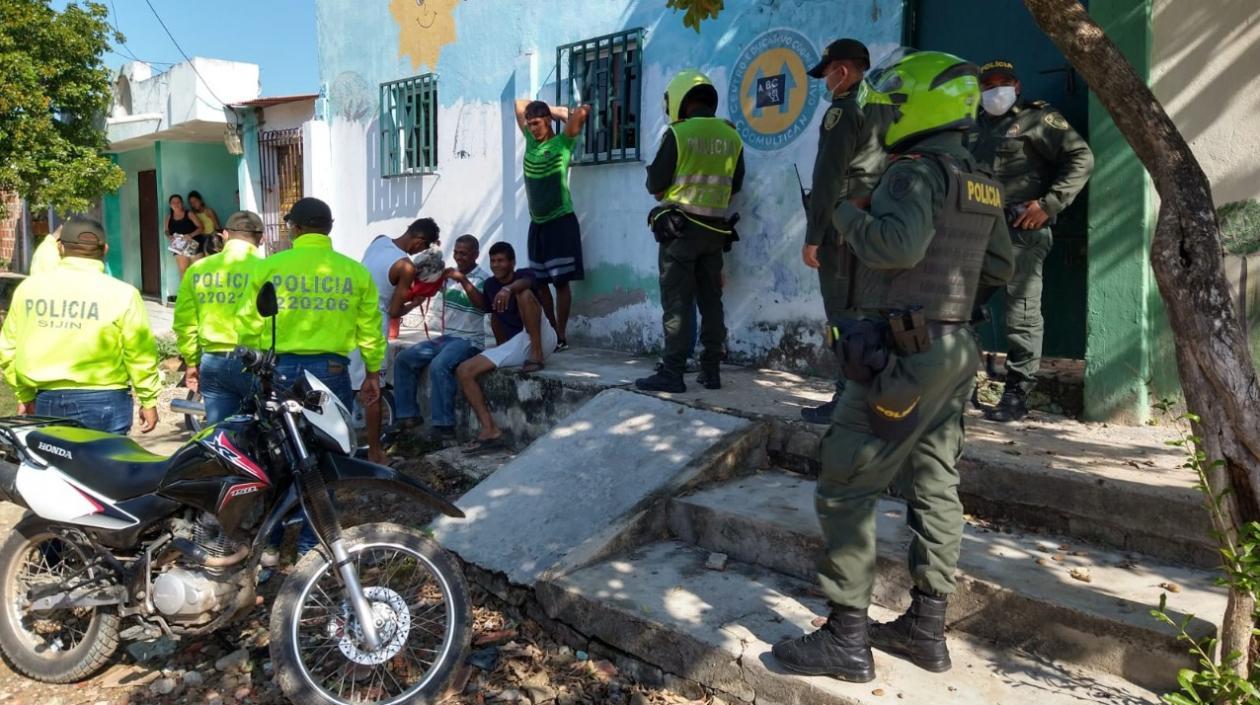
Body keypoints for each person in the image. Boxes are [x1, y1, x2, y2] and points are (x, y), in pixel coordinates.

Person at [770, 51, 1014, 682]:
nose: (885, 118)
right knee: (935, 484)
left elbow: (894, 245)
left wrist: (844, 212)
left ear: (917, 109)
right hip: (956, 350)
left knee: (847, 485)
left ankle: (846, 641)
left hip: (902, 357)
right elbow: (999, 268)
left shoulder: (913, 173)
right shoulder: (980, 178)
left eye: (893, 107)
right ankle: (926, 631)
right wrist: (949, 310)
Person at [239, 197, 385, 559]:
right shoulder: (354, 272)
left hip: (280, 372)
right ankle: (311, 546)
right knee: (323, 458)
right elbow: (370, 329)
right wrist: (372, 372)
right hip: (331, 375)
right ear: (330, 228)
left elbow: (247, 321)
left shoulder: (270, 267)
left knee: (275, 454)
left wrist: (257, 362)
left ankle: (269, 547)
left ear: (296, 228)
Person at [969, 59, 1094, 423]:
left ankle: (1016, 393)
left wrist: (1049, 204)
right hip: (974, 234)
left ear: (1017, 85)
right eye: (988, 84)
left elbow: (1080, 157)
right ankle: (961, 381)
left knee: (1020, 315)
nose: (995, 91)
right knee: (956, 311)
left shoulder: (1037, 119)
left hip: (1020, 233)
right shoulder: (972, 125)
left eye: (1003, 83)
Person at [634, 69, 745, 394]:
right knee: (711, 301)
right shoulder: (731, 135)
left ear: (680, 100)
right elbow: (735, 184)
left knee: (677, 303)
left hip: (679, 231)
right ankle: (711, 370)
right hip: (715, 232)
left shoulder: (679, 134)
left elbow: (655, 183)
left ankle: (672, 372)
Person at [0, 217, 163, 434]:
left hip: (48, 399)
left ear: (60, 248)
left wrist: (25, 394)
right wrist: (148, 399)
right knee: (106, 467)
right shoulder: (123, 294)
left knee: (56, 466)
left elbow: (8, 348)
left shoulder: (29, 289)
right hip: (105, 401)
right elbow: (140, 352)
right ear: (104, 249)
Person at [799, 38, 887, 425]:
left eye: (827, 74)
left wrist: (813, 235)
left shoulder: (843, 111)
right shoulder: (887, 107)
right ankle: (873, 397)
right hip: (878, 225)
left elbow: (829, 178)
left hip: (840, 229)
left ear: (843, 71)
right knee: (869, 314)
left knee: (843, 316)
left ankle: (847, 402)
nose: (825, 82)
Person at [348, 218, 440, 464]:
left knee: (347, 383)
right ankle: (376, 453)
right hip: (372, 324)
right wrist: (417, 302)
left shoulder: (378, 241)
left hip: (347, 318)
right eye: (422, 249)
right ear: (420, 241)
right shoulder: (405, 266)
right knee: (373, 389)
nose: (418, 254)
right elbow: (395, 310)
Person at [455, 242, 557, 453]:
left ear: (512, 262)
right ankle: (490, 429)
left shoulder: (524, 273)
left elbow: (525, 284)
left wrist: (508, 289)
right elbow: (488, 311)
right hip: (518, 344)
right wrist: (462, 280)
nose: (496, 265)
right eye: (493, 261)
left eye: (501, 260)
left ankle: (537, 356)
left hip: (541, 337)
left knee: (523, 293)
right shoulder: (491, 285)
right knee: (464, 371)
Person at [392, 234, 490, 441]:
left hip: (469, 341)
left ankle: (444, 426)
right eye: (456, 252)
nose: (459, 257)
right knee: (404, 359)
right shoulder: (447, 276)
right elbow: (424, 286)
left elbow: (483, 305)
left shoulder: (483, 278)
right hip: (446, 338)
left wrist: (462, 280)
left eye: (464, 253)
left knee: (439, 365)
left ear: (475, 255)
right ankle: (407, 415)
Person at [171, 211, 266, 424]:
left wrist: (191, 362)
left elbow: (185, 322)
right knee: (262, 436)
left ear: (224, 235)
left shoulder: (198, 269)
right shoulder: (268, 270)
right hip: (255, 362)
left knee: (221, 436)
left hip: (214, 362)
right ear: (262, 238)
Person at [514, 98, 591, 351]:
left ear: (547, 121)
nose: (532, 129)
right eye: (530, 124)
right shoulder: (528, 140)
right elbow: (518, 103)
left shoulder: (562, 143)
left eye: (536, 123)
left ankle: (561, 333)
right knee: (540, 281)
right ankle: (550, 327)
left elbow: (583, 112)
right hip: (537, 225)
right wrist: (553, 110)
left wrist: (559, 114)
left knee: (561, 282)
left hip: (561, 222)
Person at [166, 194, 204, 285]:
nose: (176, 204)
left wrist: (190, 235)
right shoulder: (169, 217)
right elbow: (166, 231)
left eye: (178, 202)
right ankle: (185, 296)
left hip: (193, 244)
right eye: (173, 202)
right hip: (179, 247)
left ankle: (199, 295)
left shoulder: (189, 214)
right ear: (170, 205)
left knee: (197, 271)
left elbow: (201, 228)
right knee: (183, 272)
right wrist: (169, 236)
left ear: (182, 203)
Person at [187, 190, 222, 255]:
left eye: (195, 201)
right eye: (191, 203)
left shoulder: (208, 211)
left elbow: (217, 226)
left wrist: (217, 237)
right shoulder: (193, 214)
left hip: (211, 236)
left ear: (200, 200)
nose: (194, 204)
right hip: (200, 238)